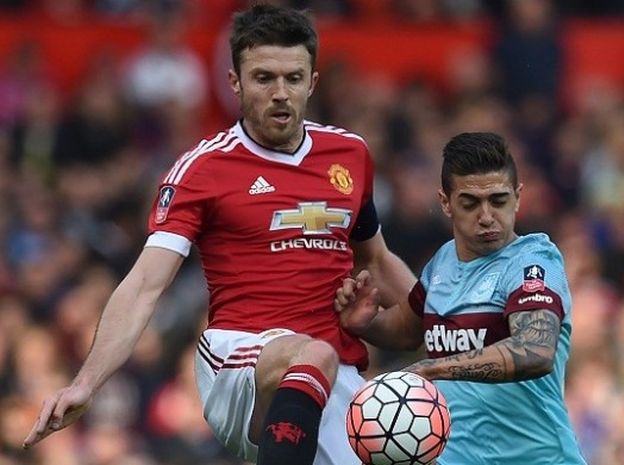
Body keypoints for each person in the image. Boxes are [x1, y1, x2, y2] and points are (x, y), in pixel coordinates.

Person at [22, 5, 415, 465]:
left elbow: (377, 259)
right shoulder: (204, 169)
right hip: (238, 359)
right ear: (235, 83)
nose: (280, 94)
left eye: (293, 78)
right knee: (310, 355)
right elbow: (146, 284)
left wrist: (442, 318)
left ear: (313, 82)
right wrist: (86, 382)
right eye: (263, 78)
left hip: (328, 366)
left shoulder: (350, 154)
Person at [335, 132, 588, 464]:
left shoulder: (532, 262)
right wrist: (366, 323)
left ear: (518, 197)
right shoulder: (442, 263)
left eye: (498, 200)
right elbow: (408, 330)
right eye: (470, 203)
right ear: (445, 203)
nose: (486, 216)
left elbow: (535, 352)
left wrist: (435, 370)